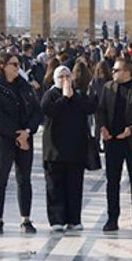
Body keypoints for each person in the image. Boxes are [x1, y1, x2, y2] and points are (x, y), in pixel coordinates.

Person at [0, 51, 42, 234]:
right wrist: (16, 135)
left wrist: (27, 132)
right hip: (5, 140)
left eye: (19, 64)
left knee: (24, 179)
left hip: (25, 138)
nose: (18, 68)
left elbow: (36, 112)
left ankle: (25, 219)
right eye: (14, 64)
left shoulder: (25, 87)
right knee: (0, 178)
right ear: (2, 66)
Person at [95, 57, 132, 233]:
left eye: (116, 70)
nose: (113, 72)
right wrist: (102, 127)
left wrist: (131, 130)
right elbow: (101, 110)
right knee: (112, 182)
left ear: (127, 72)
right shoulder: (108, 88)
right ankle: (112, 218)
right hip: (113, 142)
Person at [41, 66, 96, 232]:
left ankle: (74, 219)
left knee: (74, 186)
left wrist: (73, 96)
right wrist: (64, 97)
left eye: (67, 76)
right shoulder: (50, 94)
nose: (65, 80)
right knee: (55, 186)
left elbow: (90, 107)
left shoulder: (78, 95)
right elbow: (49, 110)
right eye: (61, 77)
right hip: (55, 150)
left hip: (75, 149)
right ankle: (57, 219)